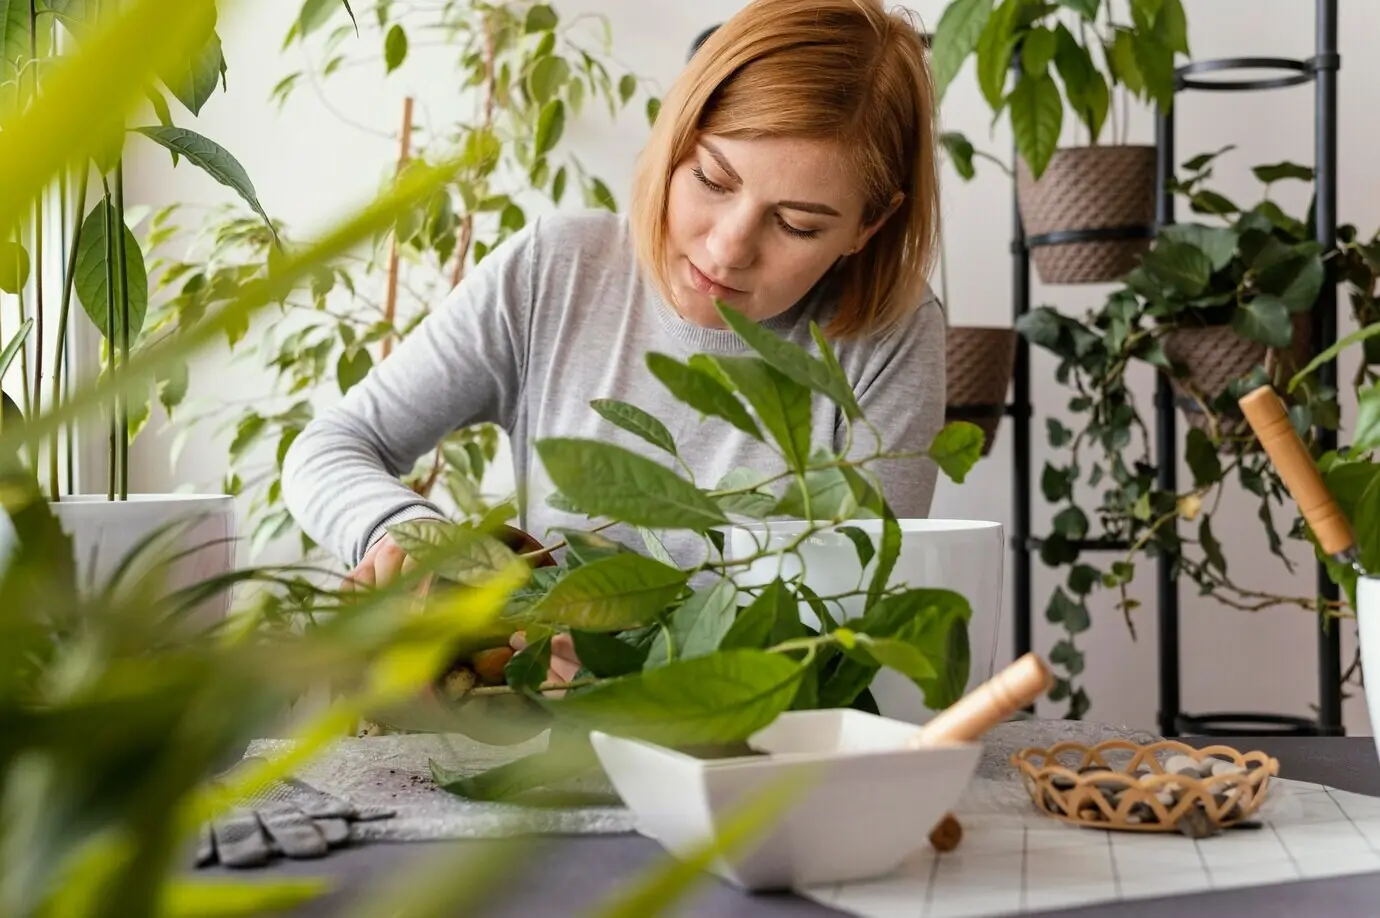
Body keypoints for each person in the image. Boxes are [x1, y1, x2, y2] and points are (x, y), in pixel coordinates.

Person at [281, 0, 948, 682]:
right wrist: (402, 532)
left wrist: (637, 677)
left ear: (868, 225)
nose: (728, 248)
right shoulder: (557, 268)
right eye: (711, 180)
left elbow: (849, 632)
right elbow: (329, 447)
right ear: (673, 134)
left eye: (799, 224)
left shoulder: (888, 338)